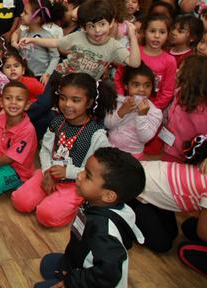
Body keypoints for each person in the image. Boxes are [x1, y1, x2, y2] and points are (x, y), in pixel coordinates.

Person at [21, 0, 140, 137]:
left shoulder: (113, 46)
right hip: (61, 78)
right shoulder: (78, 36)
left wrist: (133, 37)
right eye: (91, 26)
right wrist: (33, 40)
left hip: (83, 87)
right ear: (84, 27)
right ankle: (18, 126)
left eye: (102, 24)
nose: (97, 31)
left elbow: (134, 63)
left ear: (112, 22)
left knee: (73, 115)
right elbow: (57, 42)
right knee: (43, 105)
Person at [11, 73, 113, 228]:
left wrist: (67, 172)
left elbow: (96, 172)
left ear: (89, 102)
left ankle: (75, 203)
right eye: (63, 98)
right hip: (50, 174)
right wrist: (47, 172)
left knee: (46, 216)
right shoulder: (56, 122)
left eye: (75, 100)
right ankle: (52, 197)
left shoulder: (97, 135)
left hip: (76, 184)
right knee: (20, 201)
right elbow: (45, 150)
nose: (67, 104)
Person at [34, 147, 146, 288]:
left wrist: (71, 282)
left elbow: (107, 276)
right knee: (47, 263)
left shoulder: (104, 232)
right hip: (80, 261)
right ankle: (71, 267)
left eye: (87, 175)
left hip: (95, 282)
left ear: (108, 196)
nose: (79, 175)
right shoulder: (97, 202)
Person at [130, 135, 207, 275]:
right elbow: (203, 231)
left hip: (149, 182)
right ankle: (127, 213)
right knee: (162, 244)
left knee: (172, 234)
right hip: (135, 189)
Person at [105, 64, 163, 159]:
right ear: (126, 86)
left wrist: (142, 116)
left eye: (147, 85)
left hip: (133, 156)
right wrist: (122, 111)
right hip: (109, 148)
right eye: (136, 85)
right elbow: (107, 124)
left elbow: (144, 138)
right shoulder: (118, 101)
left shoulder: (155, 112)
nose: (142, 89)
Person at [160, 56, 207, 163]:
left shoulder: (201, 110)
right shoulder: (180, 91)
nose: (177, 72)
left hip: (185, 156)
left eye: (181, 69)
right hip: (168, 146)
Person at [12, 0, 64, 84]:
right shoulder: (23, 33)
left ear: (36, 19)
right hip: (24, 75)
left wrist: (47, 74)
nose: (21, 14)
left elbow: (55, 57)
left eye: (25, 13)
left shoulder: (47, 36)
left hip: (39, 77)